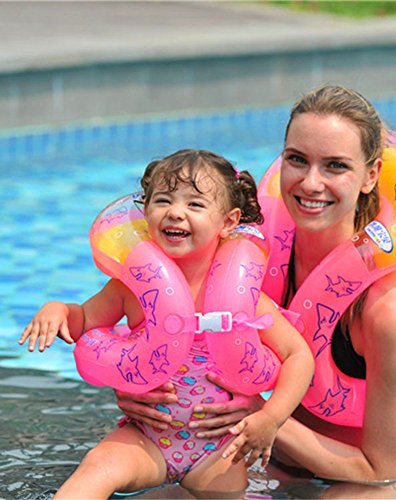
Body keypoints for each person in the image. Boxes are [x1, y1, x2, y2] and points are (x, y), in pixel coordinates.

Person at [114, 86, 396, 498]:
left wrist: (264, 414)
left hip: (357, 478)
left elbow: (381, 469)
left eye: (335, 166)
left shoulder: (387, 306)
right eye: (297, 160)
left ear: (371, 176)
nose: (311, 183)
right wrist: (136, 384)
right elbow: (163, 326)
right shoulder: (241, 259)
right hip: (260, 455)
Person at [19, 149, 314, 498]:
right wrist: (57, 309)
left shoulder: (243, 296)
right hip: (147, 438)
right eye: (163, 200)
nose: (175, 212)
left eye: (195, 204)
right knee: (97, 467)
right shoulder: (132, 288)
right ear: (146, 213)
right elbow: (83, 320)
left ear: (228, 222)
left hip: (218, 446)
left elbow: (298, 356)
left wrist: (271, 418)